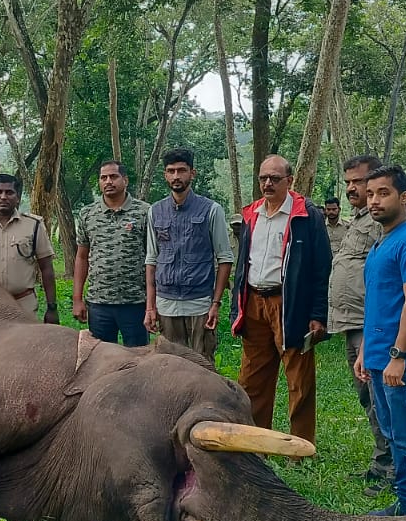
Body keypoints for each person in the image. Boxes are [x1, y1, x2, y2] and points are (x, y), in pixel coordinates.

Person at [352, 164, 406, 517]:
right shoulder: (382, 242)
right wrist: (364, 353)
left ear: (404, 197)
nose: (373, 200)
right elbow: (380, 301)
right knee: (391, 432)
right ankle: (405, 502)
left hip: (400, 357)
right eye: (370, 194)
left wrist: (398, 354)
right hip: (377, 355)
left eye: (383, 193)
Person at [231, 155, 331, 445]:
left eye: (275, 178)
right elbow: (243, 263)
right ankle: (255, 440)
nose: (268, 183)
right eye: (263, 178)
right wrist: (238, 304)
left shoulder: (306, 215)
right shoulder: (252, 214)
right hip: (254, 304)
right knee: (252, 378)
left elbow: (321, 267)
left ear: (290, 181)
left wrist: (318, 314)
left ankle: (300, 444)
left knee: (298, 379)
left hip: (290, 304)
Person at [326, 155, 392, 495]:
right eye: (348, 181)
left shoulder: (382, 224)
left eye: (359, 181)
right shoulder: (358, 220)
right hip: (351, 322)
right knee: (367, 396)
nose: (352, 187)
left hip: (372, 325)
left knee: (381, 395)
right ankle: (382, 459)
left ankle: (394, 468)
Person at [145, 150, 234, 361]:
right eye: (171, 171)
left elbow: (225, 258)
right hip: (166, 303)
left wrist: (215, 304)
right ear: (165, 175)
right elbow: (151, 260)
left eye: (181, 170)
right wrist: (150, 307)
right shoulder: (155, 211)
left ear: (192, 173)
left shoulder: (211, 210)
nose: (176, 176)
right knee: (168, 364)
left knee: (201, 364)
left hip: (200, 302)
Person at [73, 161, 152, 347]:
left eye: (113, 177)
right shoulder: (88, 214)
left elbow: (153, 259)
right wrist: (77, 299)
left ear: (125, 180)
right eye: (103, 178)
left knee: (137, 358)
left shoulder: (145, 212)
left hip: (134, 302)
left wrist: (152, 303)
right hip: (99, 303)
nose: (108, 181)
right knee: (100, 360)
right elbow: (81, 257)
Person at [0, 175, 59, 324]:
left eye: (9, 192)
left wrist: (52, 307)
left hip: (23, 304)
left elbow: (46, 268)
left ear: (18, 197)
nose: (3, 197)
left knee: (25, 346)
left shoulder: (33, 225)